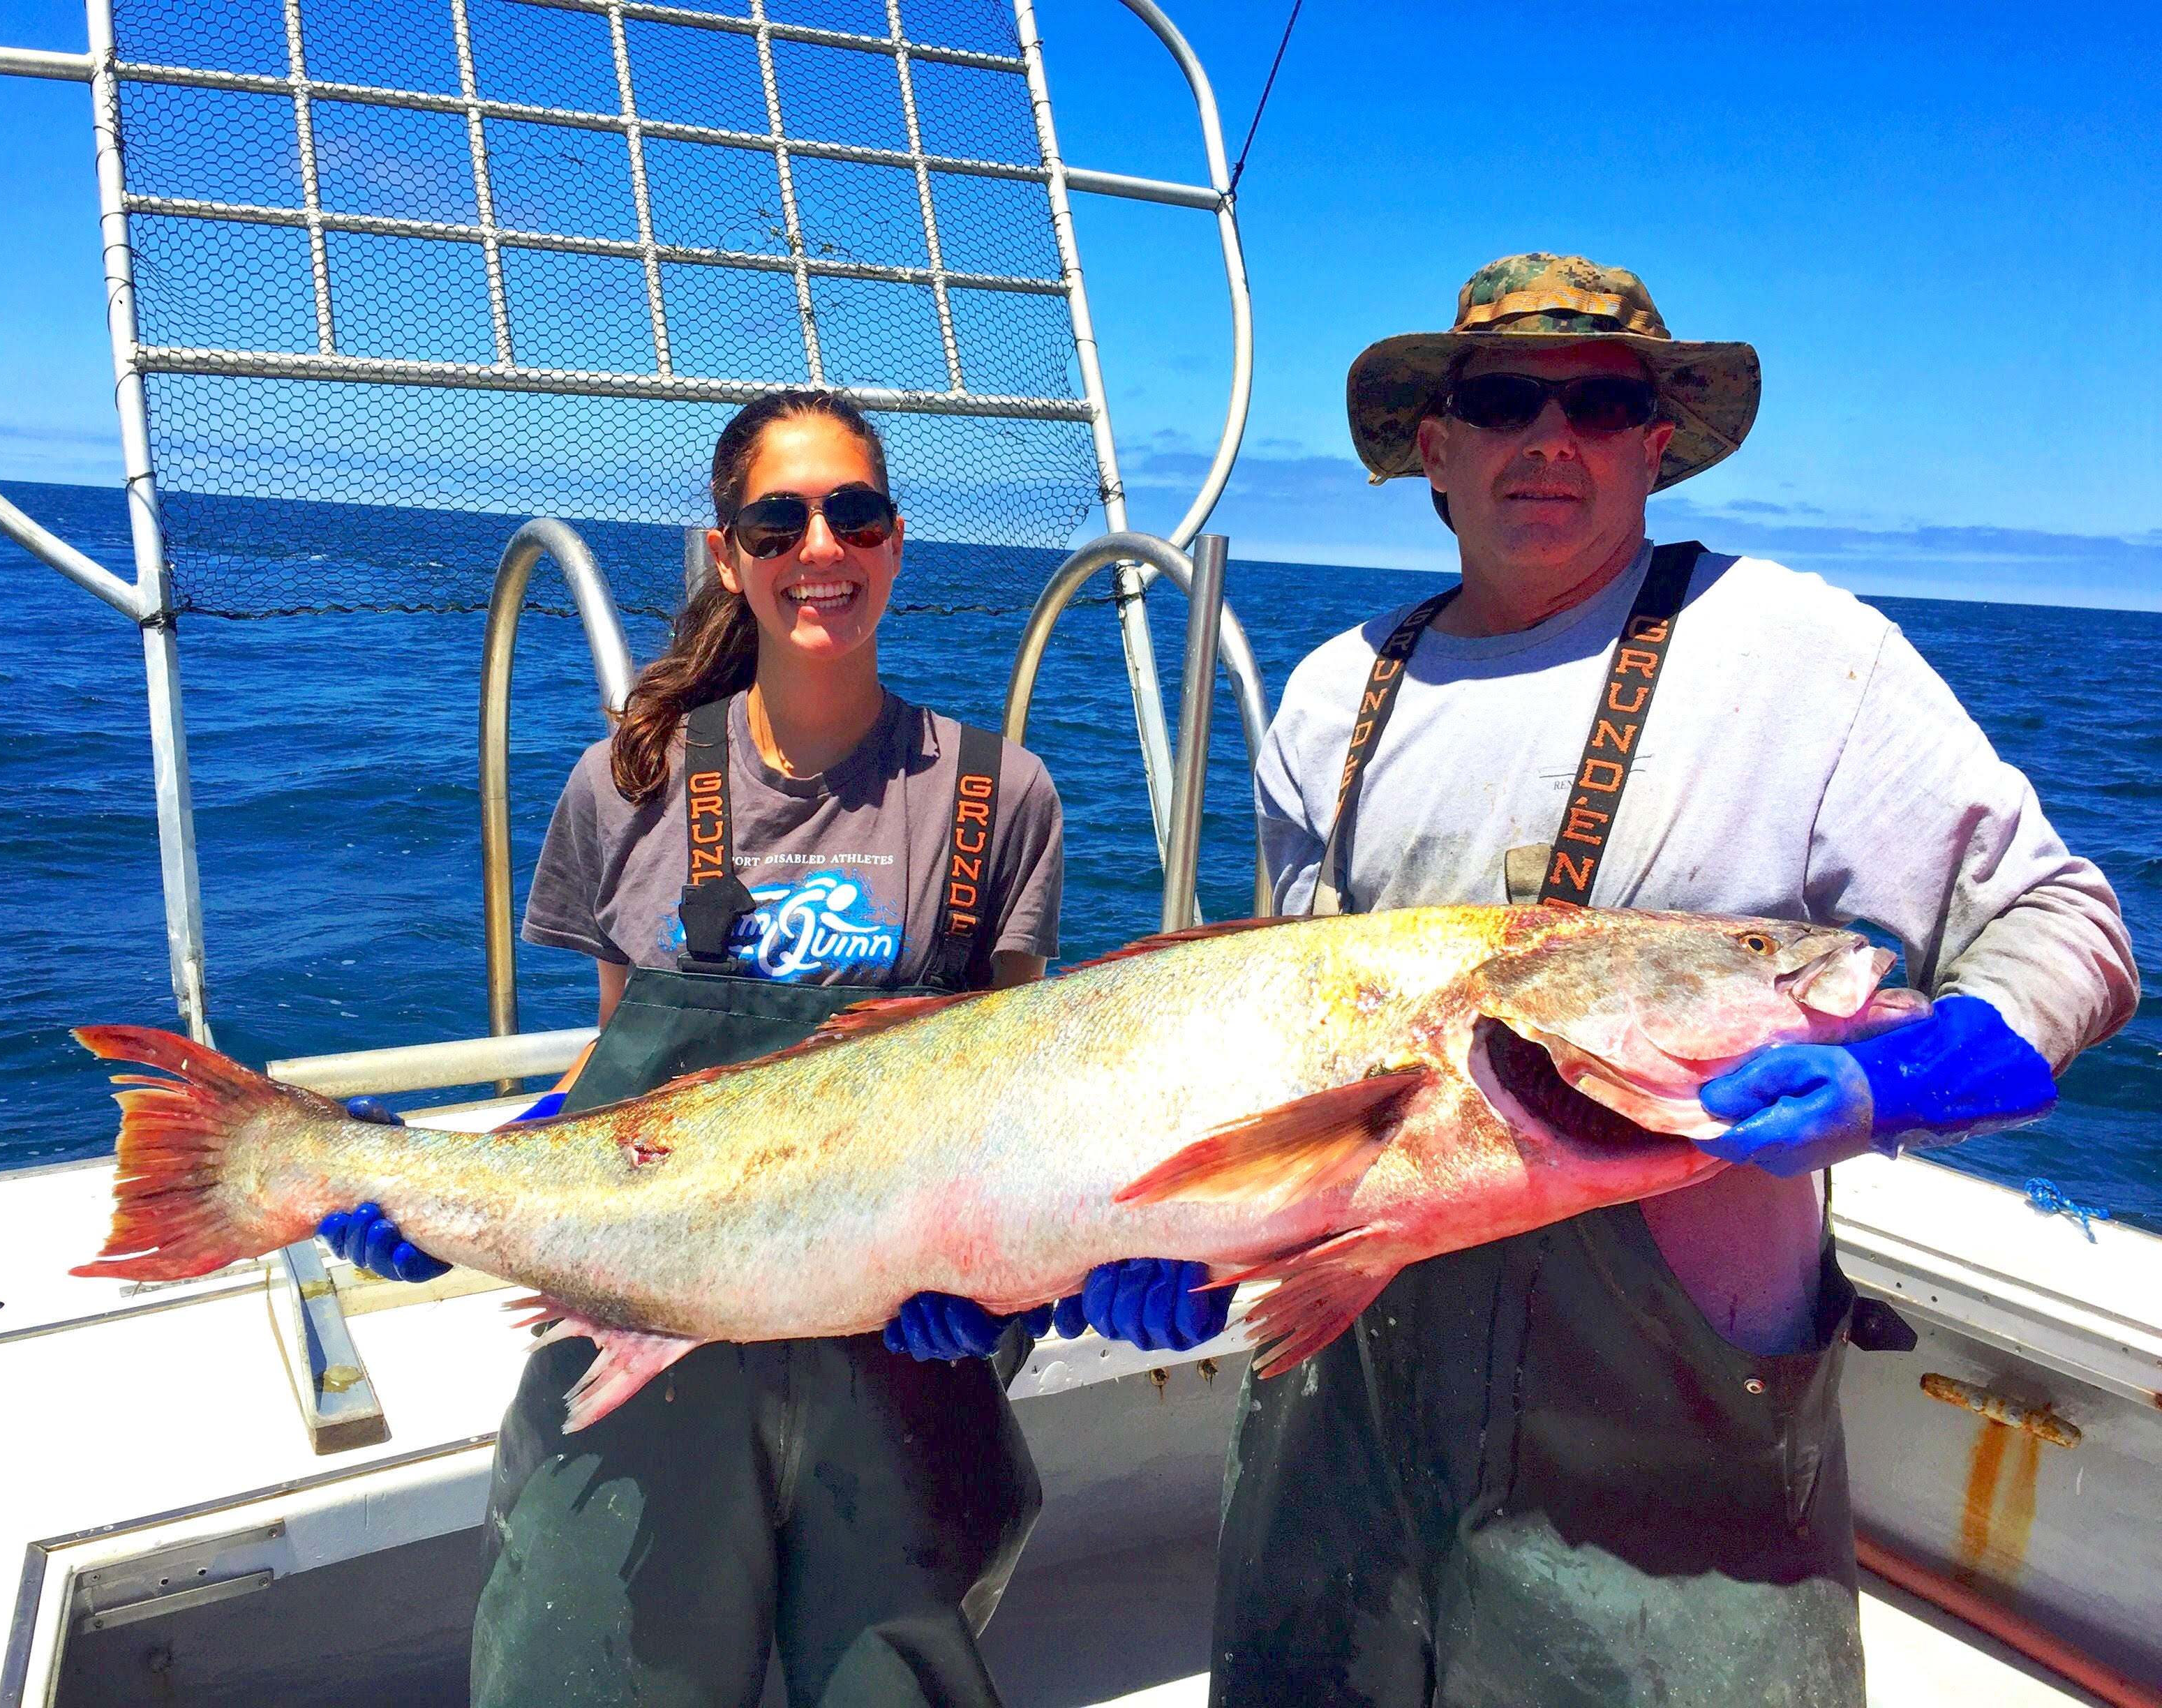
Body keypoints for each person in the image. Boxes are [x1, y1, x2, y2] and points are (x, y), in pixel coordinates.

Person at [1213, 255, 2138, 1707]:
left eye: (1602, 403)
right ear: (1436, 448)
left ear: (1659, 442)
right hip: (1344, 1438)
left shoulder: (1799, 655)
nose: (1551, 438)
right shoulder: (1333, 694)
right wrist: (1155, 1238)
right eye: (1503, 398)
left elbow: (2068, 926)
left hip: (1668, 1479)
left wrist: (1882, 1083)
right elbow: (1281, 1053)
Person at [315, 387, 1227, 1707]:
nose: (821, 547)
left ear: (896, 543)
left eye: (854, 513)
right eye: (779, 518)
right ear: (727, 551)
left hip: (897, 1374)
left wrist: (1047, 1277)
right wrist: (464, 1182)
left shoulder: (998, 795)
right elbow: (614, 1065)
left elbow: (1018, 1088)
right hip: (651, 1339)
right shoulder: (626, 783)